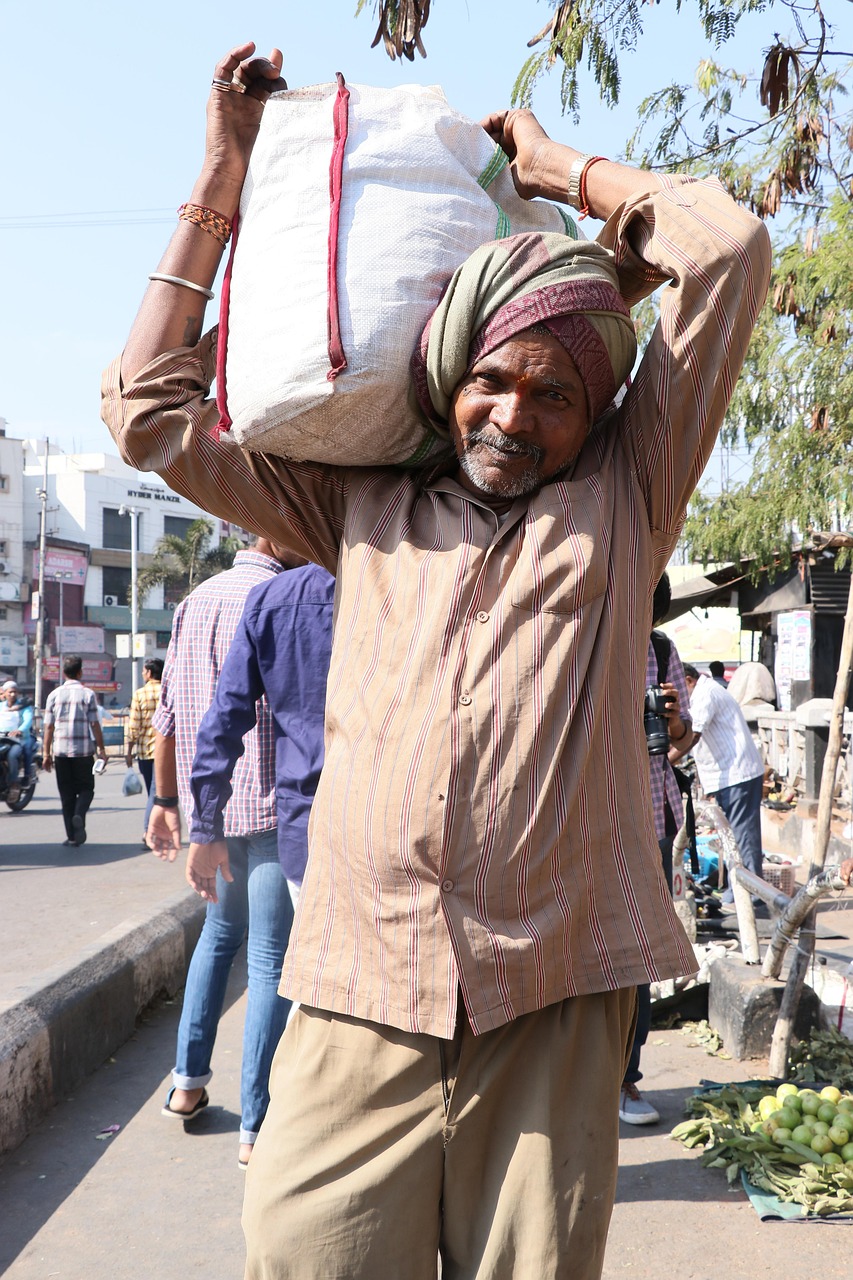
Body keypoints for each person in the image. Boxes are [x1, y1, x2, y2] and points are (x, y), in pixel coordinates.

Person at [102, 42, 771, 1280]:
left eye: (555, 393)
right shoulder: (357, 504)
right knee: (305, 1254)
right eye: (494, 380)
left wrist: (560, 168)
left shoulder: (627, 494)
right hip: (359, 982)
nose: (516, 414)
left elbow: (724, 249)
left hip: (550, 997)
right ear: (447, 376)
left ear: (598, 415)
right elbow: (145, 404)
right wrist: (221, 179)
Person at [147, 539, 297, 1171]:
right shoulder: (281, 597)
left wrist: (165, 799)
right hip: (266, 800)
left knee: (217, 937)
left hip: (212, 809)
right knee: (267, 959)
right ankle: (256, 1125)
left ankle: (186, 1083)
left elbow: (171, 714)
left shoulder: (195, 601)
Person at [187, 560, 334, 910]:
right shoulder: (426, 582)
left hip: (309, 828)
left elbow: (223, 721)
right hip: (413, 831)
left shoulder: (275, 597)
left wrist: (206, 826)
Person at [620, 573, 693, 1126]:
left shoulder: (662, 650)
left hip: (649, 817)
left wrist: (669, 721)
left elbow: (680, 738)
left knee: (637, 952)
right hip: (580, 821)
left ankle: (626, 1080)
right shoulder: (578, 642)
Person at [682, 664, 767, 907]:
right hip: (729, 775)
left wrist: (667, 760)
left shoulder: (705, 693)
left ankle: (751, 894)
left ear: (689, 680)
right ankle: (739, 890)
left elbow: (694, 733)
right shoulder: (702, 692)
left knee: (742, 837)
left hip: (738, 773)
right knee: (732, 838)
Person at [42, 656, 107, 846]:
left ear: (64, 673)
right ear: (80, 672)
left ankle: (72, 836)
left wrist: (46, 754)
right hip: (83, 752)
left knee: (66, 795)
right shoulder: (87, 694)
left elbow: (48, 728)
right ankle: (79, 814)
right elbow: (95, 724)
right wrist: (101, 750)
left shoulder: (54, 695)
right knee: (87, 789)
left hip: (61, 752)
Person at [125, 657, 163, 846]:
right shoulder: (169, 692)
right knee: (156, 794)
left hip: (145, 752)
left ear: (149, 673)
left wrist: (128, 751)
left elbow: (133, 726)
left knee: (153, 793)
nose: (142, 674)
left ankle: (148, 831)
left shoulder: (140, 694)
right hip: (165, 753)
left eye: (143, 671)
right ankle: (156, 831)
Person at [0, 680, 26, 789]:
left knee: (12, 755)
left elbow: (27, 720)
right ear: (4, 693)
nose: (12, 694)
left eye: (14, 692)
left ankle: (13, 782)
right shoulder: (1, 706)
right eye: (10, 692)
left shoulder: (23, 705)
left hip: (17, 740)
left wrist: (20, 730)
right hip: (2, 739)